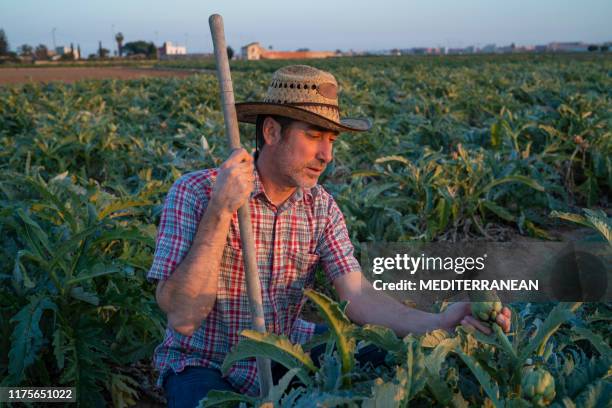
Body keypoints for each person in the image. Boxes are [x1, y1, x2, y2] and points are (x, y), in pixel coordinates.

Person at [147, 65, 511, 407]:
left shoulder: (320, 207)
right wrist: (220, 211)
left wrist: (438, 323)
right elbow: (183, 317)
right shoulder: (197, 192)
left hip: (287, 350)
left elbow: (359, 295)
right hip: (205, 362)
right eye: (314, 136)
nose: (327, 154)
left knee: (398, 357)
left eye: (332, 139)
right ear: (272, 132)